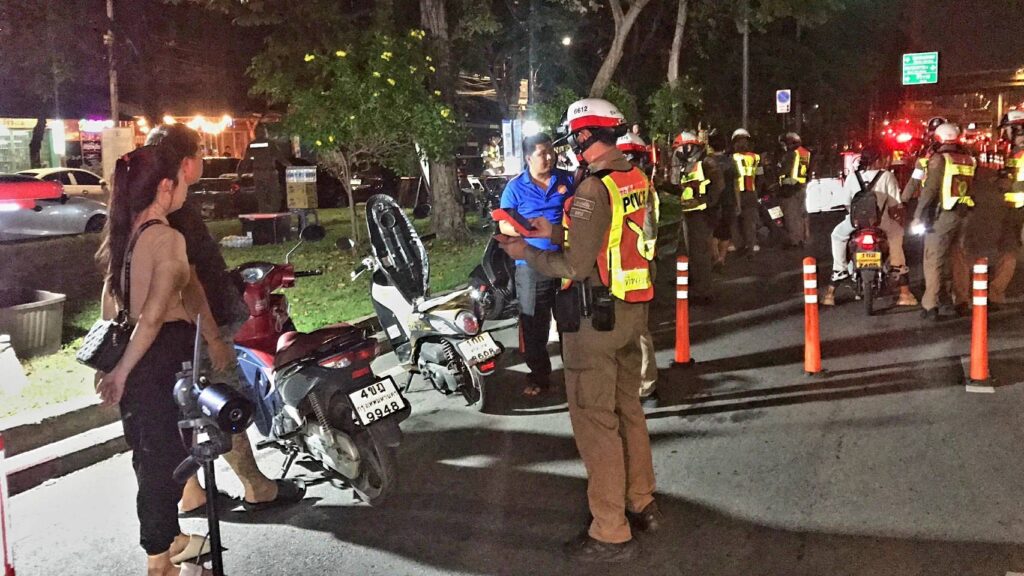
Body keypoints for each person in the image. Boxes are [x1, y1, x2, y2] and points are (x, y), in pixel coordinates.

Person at [497, 98, 659, 563]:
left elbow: (574, 264)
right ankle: (642, 501)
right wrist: (550, 228)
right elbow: (609, 236)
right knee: (629, 411)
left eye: (573, 137)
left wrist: (524, 252)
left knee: (595, 423)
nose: (570, 146)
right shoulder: (635, 178)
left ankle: (610, 530)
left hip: (594, 321)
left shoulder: (593, 187)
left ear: (584, 136)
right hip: (631, 313)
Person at [146, 124, 306, 514]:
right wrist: (215, 338)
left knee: (185, 406)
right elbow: (190, 280)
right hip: (198, 327)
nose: (203, 159)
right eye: (200, 152)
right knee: (225, 402)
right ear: (186, 162)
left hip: (171, 331)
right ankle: (256, 487)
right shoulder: (173, 208)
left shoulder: (145, 202)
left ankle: (191, 493)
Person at [93, 145, 204, 575]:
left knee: (147, 453)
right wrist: (120, 372)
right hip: (160, 361)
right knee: (167, 459)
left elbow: (110, 308)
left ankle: (171, 539)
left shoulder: (123, 236)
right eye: (181, 180)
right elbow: (154, 315)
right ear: (164, 186)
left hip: (133, 356)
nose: (185, 189)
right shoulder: (167, 239)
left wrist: (111, 366)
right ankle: (159, 561)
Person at [498, 132, 574, 397]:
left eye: (552, 152)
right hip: (531, 264)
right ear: (529, 158)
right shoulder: (515, 188)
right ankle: (539, 377)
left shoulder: (567, 180)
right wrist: (524, 229)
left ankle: (575, 373)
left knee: (569, 320)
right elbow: (503, 223)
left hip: (565, 260)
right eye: (543, 153)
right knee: (534, 324)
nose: (550, 157)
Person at [821, 145, 918, 307]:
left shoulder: (852, 177)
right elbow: (894, 205)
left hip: (855, 223)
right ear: (878, 160)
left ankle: (838, 272)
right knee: (896, 235)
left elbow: (846, 203)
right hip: (881, 223)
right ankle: (903, 289)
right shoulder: (887, 176)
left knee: (837, 235)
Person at [911, 122, 977, 320]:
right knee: (959, 258)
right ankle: (962, 301)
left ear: (938, 139)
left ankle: (930, 305)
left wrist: (917, 216)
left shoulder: (939, 159)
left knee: (933, 259)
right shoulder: (968, 159)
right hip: (964, 214)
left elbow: (930, 190)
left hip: (943, 215)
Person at [617, 131, 660, 397]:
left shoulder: (621, 184)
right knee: (633, 330)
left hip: (631, 265)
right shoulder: (643, 183)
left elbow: (648, 228)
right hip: (632, 263)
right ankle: (641, 381)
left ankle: (644, 384)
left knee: (635, 330)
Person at [668, 131, 724, 301]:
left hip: (702, 214)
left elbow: (718, 186)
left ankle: (703, 291)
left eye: (680, 148)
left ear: (689, 147)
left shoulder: (706, 162)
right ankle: (695, 282)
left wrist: (706, 202)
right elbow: (681, 188)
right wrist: (663, 185)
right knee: (691, 251)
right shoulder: (687, 164)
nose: (678, 153)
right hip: (690, 212)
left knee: (700, 253)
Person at [989, 110, 1024, 305]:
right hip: (1013, 207)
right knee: (1008, 249)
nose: (1005, 134)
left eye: (1007, 129)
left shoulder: (1020, 151)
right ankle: (995, 293)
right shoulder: (1014, 151)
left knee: (1008, 249)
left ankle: (996, 294)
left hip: (1018, 207)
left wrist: (1005, 185)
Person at [236, 123, 291, 213]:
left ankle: (264, 213)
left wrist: (239, 174)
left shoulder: (251, 145)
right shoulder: (270, 143)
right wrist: (290, 166)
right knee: (274, 194)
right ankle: (273, 212)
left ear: (255, 133)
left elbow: (245, 161)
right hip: (270, 173)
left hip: (258, 174)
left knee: (261, 196)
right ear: (265, 132)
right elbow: (280, 157)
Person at [731, 129, 765, 254]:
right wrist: (758, 192)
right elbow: (761, 176)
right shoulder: (756, 157)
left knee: (735, 220)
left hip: (736, 193)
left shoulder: (732, 158)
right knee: (750, 221)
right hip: (751, 191)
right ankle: (751, 245)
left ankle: (739, 245)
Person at [901, 116, 948, 204]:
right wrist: (904, 199)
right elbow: (917, 176)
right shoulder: (926, 152)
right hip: (929, 198)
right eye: (932, 131)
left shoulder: (958, 151)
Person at [707, 131, 737, 269]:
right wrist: (738, 203)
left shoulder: (707, 162)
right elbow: (736, 185)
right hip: (729, 200)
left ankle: (716, 257)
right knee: (725, 232)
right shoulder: (730, 162)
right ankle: (722, 259)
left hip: (712, 201)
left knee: (712, 231)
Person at [777, 132, 811, 247]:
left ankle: (795, 241)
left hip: (790, 187)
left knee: (791, 215)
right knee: (801, 213)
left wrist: (778, 169)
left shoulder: (790, 154)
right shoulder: (805, 152)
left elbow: (785, 169)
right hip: (801, 186)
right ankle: (803, 237)